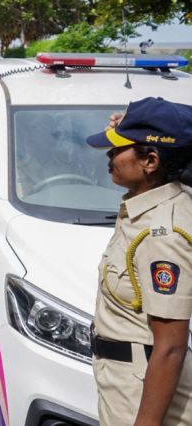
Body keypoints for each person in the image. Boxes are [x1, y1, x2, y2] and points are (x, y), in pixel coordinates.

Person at [86, 96, 192, 425]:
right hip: (125, 377)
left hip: (141, 387)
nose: (110, 155)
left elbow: (171, 346)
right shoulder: (147, 202)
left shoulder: (163, 234)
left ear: (150, 161)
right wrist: (132, 126)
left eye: (119, 149)